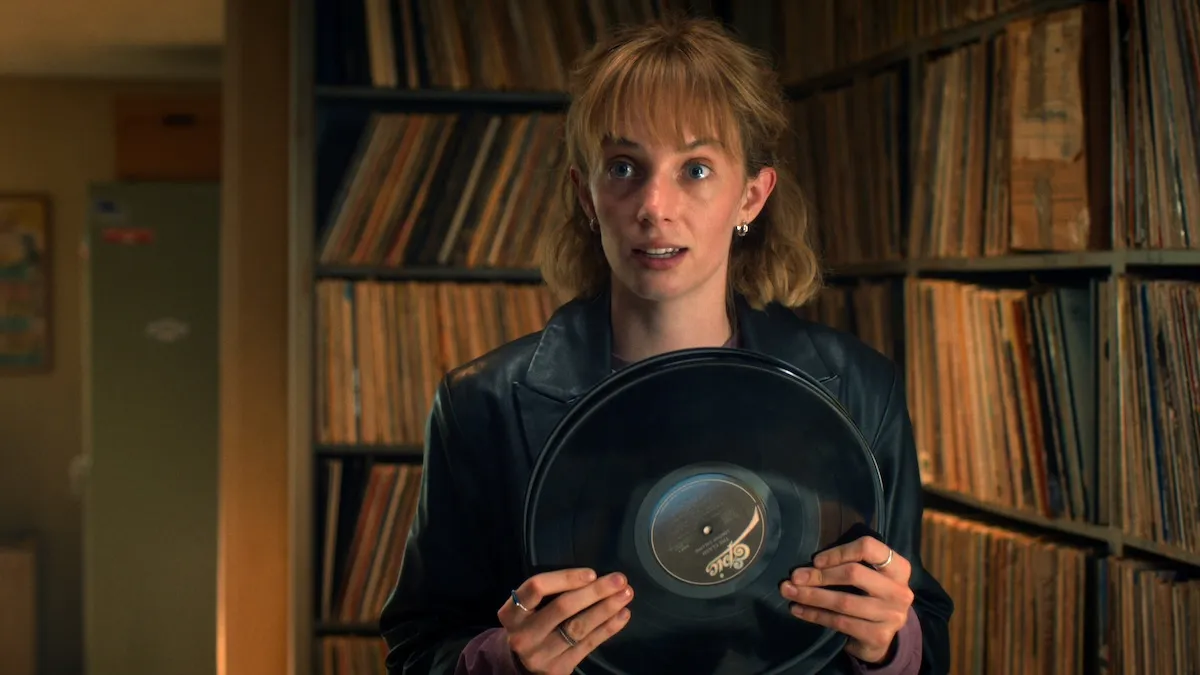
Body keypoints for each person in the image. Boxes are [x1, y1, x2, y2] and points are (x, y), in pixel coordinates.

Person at [380, 14, 953, 675]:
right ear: (587, 195)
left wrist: (888, 644)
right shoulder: (480, 404)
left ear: (751, 196)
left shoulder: (862, 390)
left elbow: (926, 633)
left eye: (696, 169)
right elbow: (416, 646)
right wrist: (503, 661)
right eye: (624, 167)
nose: (654, 205)